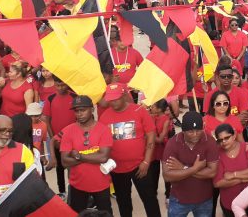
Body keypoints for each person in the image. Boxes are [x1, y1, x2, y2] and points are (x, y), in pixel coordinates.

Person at [98, 83, 160, 217]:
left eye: (116, 98)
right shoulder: (104, 117)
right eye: (110, 99)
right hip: (117, 169)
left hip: (140, 166)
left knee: (150, 201)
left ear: (124, 95)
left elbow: (150, 135)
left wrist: (146, 162)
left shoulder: (139, 111)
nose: (113, 102)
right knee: (123, 203)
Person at [59, 95, 113, 213]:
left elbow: (103, 157)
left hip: (100, 184)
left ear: (92, 109)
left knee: (105, 214)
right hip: (78, 184)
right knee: (77, 214)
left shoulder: (103, 130)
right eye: (76, 111)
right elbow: (65, 161)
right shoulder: (68, 131)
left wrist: (79, 156)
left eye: (83, 110)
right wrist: (94, 156)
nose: (79, 114)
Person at [162, 111, 219, 217]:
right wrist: (194, 169)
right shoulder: (173, 143)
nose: (195, 134)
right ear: (183, 130)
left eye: (198, 130)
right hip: (179, 199)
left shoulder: (210, 141)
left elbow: (212, 172)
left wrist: (182, 168)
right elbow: (167, 176)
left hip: (204, 200)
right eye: (190, 131)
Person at [214, 123, 248, 217]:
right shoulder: (217, 154)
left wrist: (233, 175)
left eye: (227, 137)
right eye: (221, 140)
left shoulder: (247, 147)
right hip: (229, 202)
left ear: (234, 135)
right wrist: (243, 179)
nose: (224, 142)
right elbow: (218, 183)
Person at [42, 79, 76, 197]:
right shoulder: (50, 99)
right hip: (57, 140)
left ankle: (73, 189)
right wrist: (54, 139)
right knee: (60, 167)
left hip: (73, 140)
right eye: (58, 85)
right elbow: (47, 120)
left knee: (73, 166)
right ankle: (62, 191)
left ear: (67, 83)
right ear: (54, 85)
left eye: (63, 84)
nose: (60, 87)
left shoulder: (74, 96)